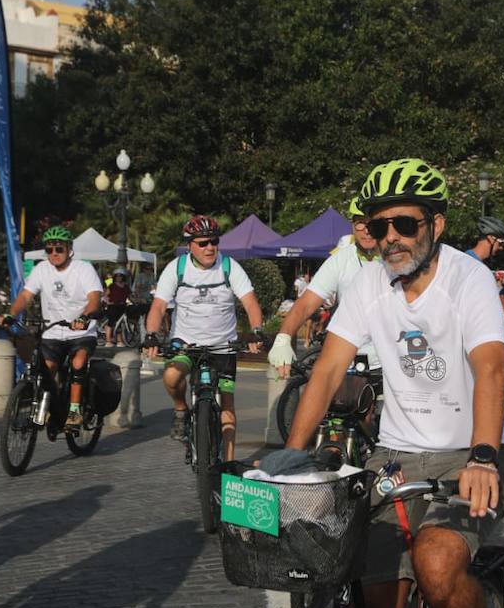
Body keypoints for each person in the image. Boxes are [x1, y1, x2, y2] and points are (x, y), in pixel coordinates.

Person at [273, 157, 504, 608]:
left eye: (404, 225)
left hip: (473, 451)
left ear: (435, 223)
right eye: (378, 226)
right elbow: (329, 368)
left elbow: (490, 368)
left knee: (437, 564)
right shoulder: (366, 284)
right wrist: (289, 456)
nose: (390, 239)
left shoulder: (469, 280)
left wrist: (484, 455)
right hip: (395, 456)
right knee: (371, 602)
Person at [144, 215, 264, 461]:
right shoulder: (177, 268)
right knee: (171, 376)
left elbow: (250, 302)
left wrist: (256, 331)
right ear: (190, 245)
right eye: (203, 243)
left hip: (223, 346)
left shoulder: (229, 266)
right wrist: (151, 335)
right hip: (186, 344)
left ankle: (229, 463)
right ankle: (181, 409)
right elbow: (158, 306)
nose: (210, 247)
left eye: (214, 241)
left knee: (227, 405)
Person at [2, 226, 103, 434]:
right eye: (49, 250)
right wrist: (11, 314)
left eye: (59, 249)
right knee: (46, 369)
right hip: (53, 331)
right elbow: (25, 296)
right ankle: (47, 407)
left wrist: (84, 317)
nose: (54, 254)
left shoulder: (83, 269)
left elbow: (94, 298)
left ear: (69, 249)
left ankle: (74, 411)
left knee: (78, 362)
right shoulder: (41, 270)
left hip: (81, 331)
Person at [270, 198, 380, 377]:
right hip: (351, 359)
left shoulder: (398, 257)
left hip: (395, 361)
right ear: (353, 225)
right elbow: (306, 303)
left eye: (373, 224)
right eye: (361, 223)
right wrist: (283, 337)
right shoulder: (341, 259)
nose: (367, 230)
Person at [102, 267, 132, 346]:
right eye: (117, 276)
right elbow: (105, 295)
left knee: (120, 324)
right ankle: (108, 341)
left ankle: (119, 341)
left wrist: (136, 301)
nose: (119, 277)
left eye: (121, 276)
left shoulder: (126, 286)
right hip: (113, 306)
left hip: (122, 306)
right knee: (111, 323)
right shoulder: (111, 286)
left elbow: (130, 296)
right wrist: (108, 302)